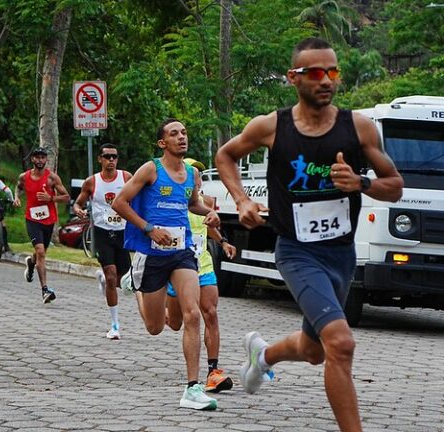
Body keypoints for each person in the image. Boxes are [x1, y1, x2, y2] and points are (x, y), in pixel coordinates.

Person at [215, 38, 403, 431]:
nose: (326, 80)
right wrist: (241, 199)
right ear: (293, 78)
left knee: (316, 350)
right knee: (342, 343)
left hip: (340, 253)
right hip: (297, 251)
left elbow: (395, 185)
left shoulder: (359, 127)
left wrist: (361, 183)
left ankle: (263, 356)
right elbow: (225, 156)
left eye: (332, 72)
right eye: (315, 73)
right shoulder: (271, 126)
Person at [111, 118, 221, 410]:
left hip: (181, 252)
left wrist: (210, 213)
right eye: (174, 134)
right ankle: (135, 286)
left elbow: (192, 204)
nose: (182, 137)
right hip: (151, 254)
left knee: (192, 314)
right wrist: (148, 228)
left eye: (184, 132)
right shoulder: (151, 169)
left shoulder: (190, 174)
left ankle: (192, 388)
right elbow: (119, 203)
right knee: (155, 327)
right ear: (163, 143)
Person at [162, 158, 237, 393]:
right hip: (178, 269)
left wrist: (223, 242)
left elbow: (208, 226)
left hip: (202, 266)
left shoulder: (206, 202)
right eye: (192, 172)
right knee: (175, 323)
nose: (197, 176)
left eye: (200, 174)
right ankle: (149, 302)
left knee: (210, 313)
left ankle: (213, 371)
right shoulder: (173, 201)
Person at [72, 144, 132, 340]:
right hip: (102, 233)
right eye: (107, 156)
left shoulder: (126, 178)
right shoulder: (92, 182)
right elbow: (78, 202)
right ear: (100, 159)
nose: (111, 160)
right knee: (113, 274)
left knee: (122, 278)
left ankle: (104, 280)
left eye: (114, 156)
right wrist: (78, 209)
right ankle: (114, 325)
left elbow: (138, 197)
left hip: (122, 231)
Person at [13, 147, 70, 303]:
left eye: (42, 157)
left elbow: (66, 197)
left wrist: (50, 198)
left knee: (40, 253)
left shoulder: (52, 178)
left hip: (49, 220)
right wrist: (17, 198)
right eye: (37, 157)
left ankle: (31, 263)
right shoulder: (24, 177)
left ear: (46, 160)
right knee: (40, 251)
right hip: (32, 219)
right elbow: (18, 188)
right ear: (32, 159)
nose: (40, 160)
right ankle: (45, 290)